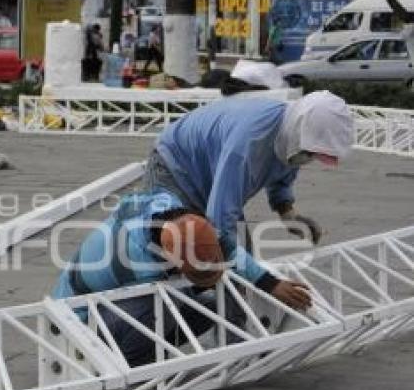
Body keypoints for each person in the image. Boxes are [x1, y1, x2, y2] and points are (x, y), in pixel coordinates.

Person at [145, 91, 354, 308]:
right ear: (299, 132)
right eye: (310, 153)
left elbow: (284, 169)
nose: (309, 159)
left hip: (210, 174)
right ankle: (159, 330)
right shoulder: (247, 144)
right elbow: (219, 225)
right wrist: (268, 282)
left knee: (239, 265)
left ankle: (231, 329)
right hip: (174, 169)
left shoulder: (288, 133)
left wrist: (289, 214)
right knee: (185, 258)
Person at [51, 191, 248, 366]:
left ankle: (147, 352)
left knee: (209, 308)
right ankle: (129, 365)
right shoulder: (138, 263)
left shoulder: (166, 206)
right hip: (77, 323)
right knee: (166, 303)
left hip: (104, 304)